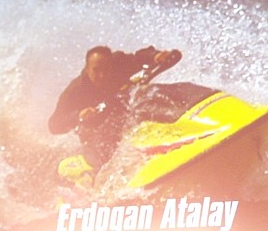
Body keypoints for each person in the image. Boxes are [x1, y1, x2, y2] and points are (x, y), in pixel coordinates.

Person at [49, 45, 177, 170]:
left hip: (126, 113)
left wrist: (156, 56)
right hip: (98, 134)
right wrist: (78, 115)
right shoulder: (75, 91)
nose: (102, 75)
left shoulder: (119, 63)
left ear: (112, 65)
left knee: (151, 94)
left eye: (106, 69)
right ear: (87, 70)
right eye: (96, 70)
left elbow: (139, 57)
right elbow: (54, 125)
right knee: (101, 160)